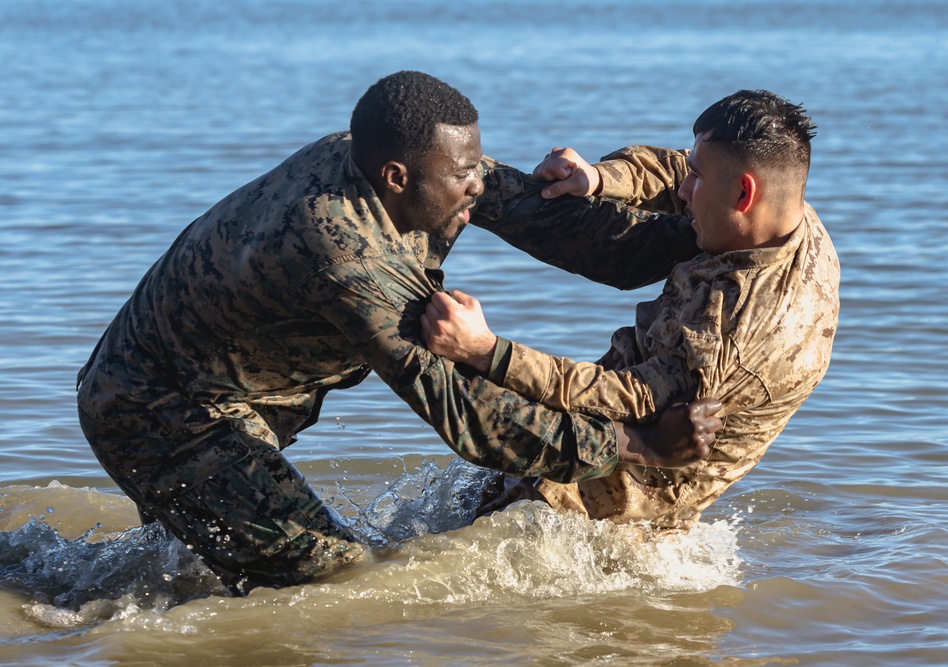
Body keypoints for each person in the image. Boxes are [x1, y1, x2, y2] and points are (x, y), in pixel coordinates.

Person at [77, 70, 722, 596]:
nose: (483, 183)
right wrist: (636, 445)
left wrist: (709, 237)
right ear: (397, 178)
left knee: (201, 578)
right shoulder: (342, 252)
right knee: (331, 579)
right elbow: (463, 412)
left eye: (477, 165)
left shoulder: (414, 166)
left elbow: (571, 233)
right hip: (158, 407)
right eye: (465, 176)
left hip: (231, 388)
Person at [423, 90, 840, 531]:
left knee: (456, 549)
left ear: (744, 194)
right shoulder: (780, 210)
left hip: (609, 501)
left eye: (697, 182)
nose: (683, 191)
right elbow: (677, 168)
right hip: (602, 438)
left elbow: (623, 398)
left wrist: (486, 351)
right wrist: (598, 179)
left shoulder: (740, 335)